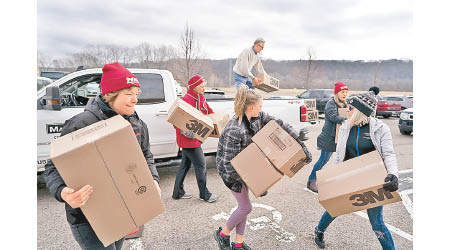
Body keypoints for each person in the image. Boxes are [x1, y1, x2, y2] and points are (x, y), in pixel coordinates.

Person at [43, 62, 161, 250]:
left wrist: (153, 179)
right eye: (128, 94)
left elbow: (146, 155)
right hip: (86, 217)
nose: (135, 100)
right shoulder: (80, 124)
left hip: (122, 211)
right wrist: (63, 192)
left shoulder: (137, 124)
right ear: (111, 95)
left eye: (136, 94)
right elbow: (52, 167)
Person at [214, 85, 312, 250]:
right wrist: (256, 182)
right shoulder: (234, 130)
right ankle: (222, 234)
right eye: (260, 106)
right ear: (251, 107)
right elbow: (228, 165)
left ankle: (238, 244)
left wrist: (300, 146)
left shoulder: (259, 117)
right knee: (246, 207)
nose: (261, 109)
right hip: (230, 174)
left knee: (242, 208)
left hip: (246, 168)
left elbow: (281, 125)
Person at [313, 91, 399, 250]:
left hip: (372, 179)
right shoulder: (346, 126)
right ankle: (319, 230)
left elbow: (388, 154)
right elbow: (339, 156)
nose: (347, 110)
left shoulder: (381, 129)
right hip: (349, 177)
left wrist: (393, 174)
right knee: (335, 207)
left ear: (360, 111)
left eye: (350, 107)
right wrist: (334, 177)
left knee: (377, 223)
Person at [172, 74, 218, 203]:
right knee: (201, 165)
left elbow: (209, 111)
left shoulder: (201, 98)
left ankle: (178, 192)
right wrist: (183, 131)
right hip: (188, 140)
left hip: (195, 138)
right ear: (194, 87)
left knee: (185, 165)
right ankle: (205, 194)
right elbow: (176, 119)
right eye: (202, 86)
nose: (204, 88)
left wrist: (216, 120)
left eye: (204, 86)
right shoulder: (186, 100)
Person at [307, 82, 349, 192]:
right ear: (337, 93)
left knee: (342, 159)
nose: (344, 94)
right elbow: (334, 117)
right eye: (342, 92)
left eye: (346, 92)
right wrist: (348, 120)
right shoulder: (331, 103)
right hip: (328, 138)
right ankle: (311, 181)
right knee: (323, 160)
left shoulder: (345, 103)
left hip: (339, 137)